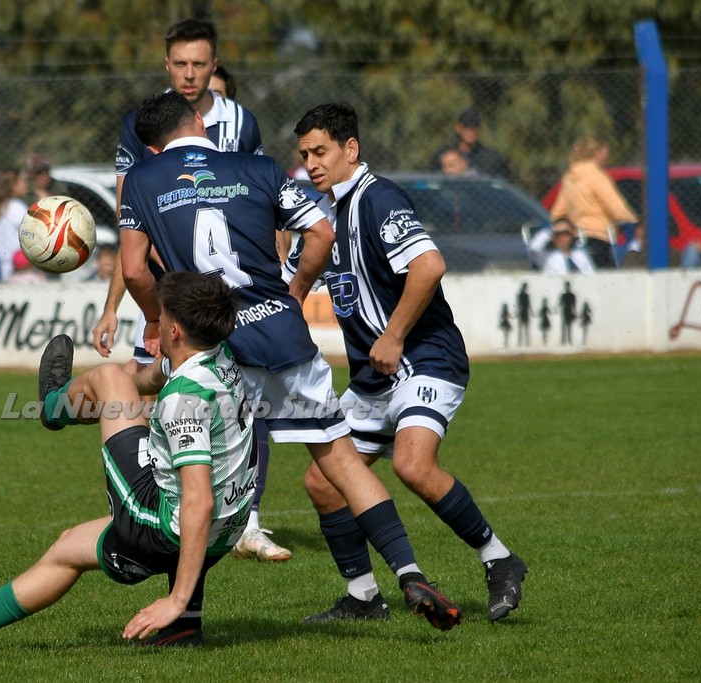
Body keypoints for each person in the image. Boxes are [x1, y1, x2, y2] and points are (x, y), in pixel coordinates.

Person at [119, 91, 463, 631]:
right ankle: (409, 572)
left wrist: (160, 322)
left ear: (150, 145)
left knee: (195, 473)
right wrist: (293, 292)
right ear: (200, 124)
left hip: (215, 343)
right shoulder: (258, 168)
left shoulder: (142, 180)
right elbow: (321, 233)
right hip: (282, 335)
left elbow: (136, 270)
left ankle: (184, 618)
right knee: (340, 461)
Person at [0, 271, 257, 650]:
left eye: (163, 316)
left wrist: (174, 599)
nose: (157, 321)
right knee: (68, 547)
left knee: (107, 379)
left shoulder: (182, 402)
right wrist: (118, 392)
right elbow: (150, 379)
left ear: (174, 331)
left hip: (161, 531)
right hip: (227, 528)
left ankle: (53, 404)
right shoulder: (218, 356)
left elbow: (197, 502)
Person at [290, 101, 525, 623]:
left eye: (321, 151)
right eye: (304, 154)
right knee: (323, 483)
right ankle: (363, 597)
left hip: (424, 357)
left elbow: (428, 265)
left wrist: (394, 335)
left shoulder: (377, 198)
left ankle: (500, 560)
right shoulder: (327, 215)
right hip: (374, 379)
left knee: (413, 465)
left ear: (351, 149)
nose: (311, 163)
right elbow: (294, 280)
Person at [96, 18, 288, 563]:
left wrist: (274, 267)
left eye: (198, 64)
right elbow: (128, 218)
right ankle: (148, 508)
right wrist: (127, 305)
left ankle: (244, 518)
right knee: (152, 393)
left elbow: (264, 199)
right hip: (165, 291)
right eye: (179, 63)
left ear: (214, 62)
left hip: (238, 299)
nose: (188, 73)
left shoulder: (241, 124)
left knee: (247, 403)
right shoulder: (146, 122)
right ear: (166, 65)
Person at [549, 135, 637, 269]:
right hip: (599, 238)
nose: (607, 156)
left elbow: (557, 212)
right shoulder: (596, 176)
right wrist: (634, 223)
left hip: (577, 237)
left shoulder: (569, 177)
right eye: (605, 151)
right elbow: (617, 208)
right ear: (596, 151)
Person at [429, 108, 510, 178]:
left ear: (479, 128)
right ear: (458, 128)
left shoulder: (492, 159)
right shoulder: (444, 155)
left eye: (474, 127)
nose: (470, 131)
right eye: (466, 126)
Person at [0, 168, 29, 281]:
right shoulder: (18, 207)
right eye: (23, 181)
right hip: (18, 267)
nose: (26, 185)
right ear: (13, 186)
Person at [526, 217, 595, 275]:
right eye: (558, 234)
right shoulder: (547, 256)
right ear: (552, 236)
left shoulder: (580, 254)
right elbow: (533, 248)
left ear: (572, 235)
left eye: (566, 233)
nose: (562, 237)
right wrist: (550, 230)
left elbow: (591, 274)